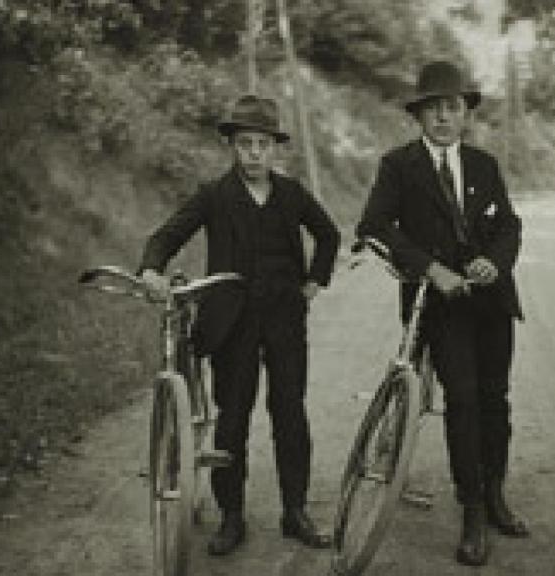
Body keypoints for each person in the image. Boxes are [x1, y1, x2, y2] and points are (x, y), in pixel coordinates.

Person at [138, 94, 341, 556]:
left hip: (285, 318)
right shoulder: (214, 195)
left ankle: (295, 511)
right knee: (233, 417)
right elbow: (169, 234)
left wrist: (314, 281)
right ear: (232, 146)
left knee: (290, 412)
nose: (254, 153)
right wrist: (151, 268)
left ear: (275, 149)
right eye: (245, 143)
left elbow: (329, 234)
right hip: (232, 323)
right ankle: (231, 516)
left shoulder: (291, 194)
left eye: (263, 144)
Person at [357, 60, 528, 566]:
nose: (443, 117)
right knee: (464, 399)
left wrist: (494, 263)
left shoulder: (484, 165)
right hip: (438, 306)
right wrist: (431, 269)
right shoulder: (399, 166)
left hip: (491, 301)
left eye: (452, 107)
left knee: (496, 400)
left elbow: (510, 226)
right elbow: (374, 225)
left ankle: (494, 494)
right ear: (419, 116)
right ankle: (471, 508)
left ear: (465, 114)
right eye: (433, 109)